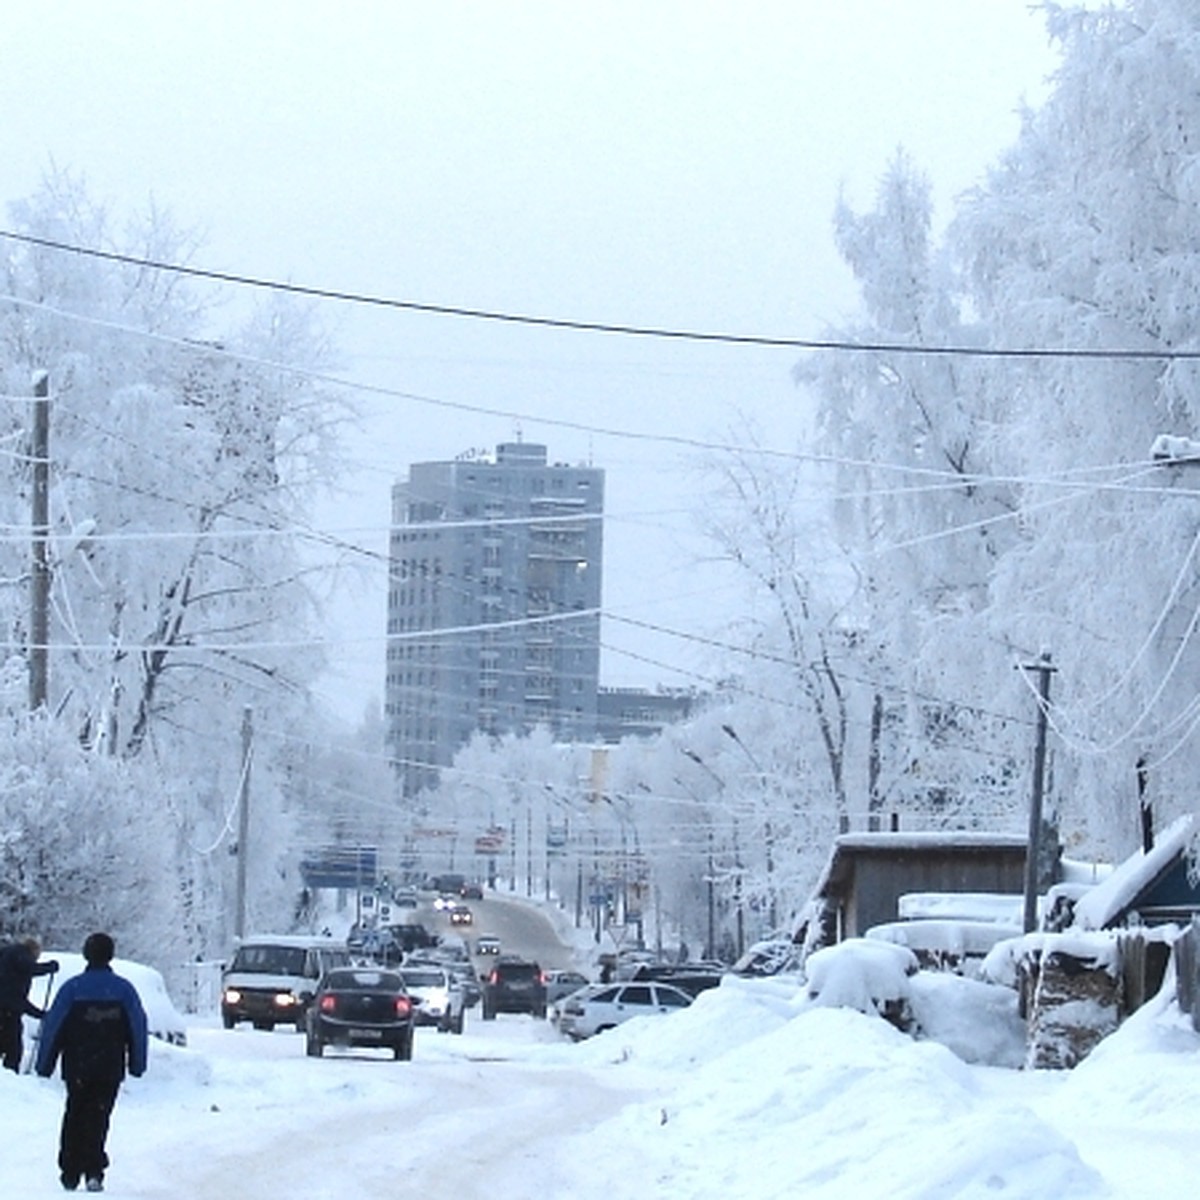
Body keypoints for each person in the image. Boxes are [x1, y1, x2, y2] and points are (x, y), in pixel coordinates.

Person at [36, 932, 148, 1193]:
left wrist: (45, 1063)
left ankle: (70, 1170)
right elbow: (138, 1027)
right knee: (99, 1116)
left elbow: (54, 1026)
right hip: (109, 1066)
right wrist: (137, 1063)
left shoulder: (72, 988)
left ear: (87, 955)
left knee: (75, 1111)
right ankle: (93, 1169)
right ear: (111, 955)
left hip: (77, 1064)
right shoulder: (124, 990)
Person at [0, 936, 60, 1072]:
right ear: (34, 950)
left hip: (7, 1009)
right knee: (13, 1050)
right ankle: (11, 1078)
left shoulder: (8, 958)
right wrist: (49, 967)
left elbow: (18, 999)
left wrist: (40, 1014)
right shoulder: (19, 954)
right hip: (8, 1012)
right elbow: (29, 968)